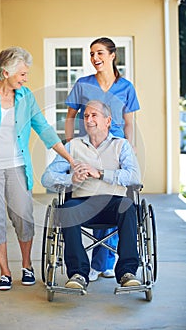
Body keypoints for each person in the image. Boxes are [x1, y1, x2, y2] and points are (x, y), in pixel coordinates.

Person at [0, 46, 74, 291]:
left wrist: (71, 158)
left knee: (23, 217)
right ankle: (5, 272)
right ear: (6, 72)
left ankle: (27, 266)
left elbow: (44, 129)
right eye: (22, 73)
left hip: (17, 167)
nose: (25, 78)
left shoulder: (26, 97)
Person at [41, 100, 141, 293]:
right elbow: (47, 178)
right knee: (66, 209)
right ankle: (78, 274)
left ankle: (127, 273)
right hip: (82, 203)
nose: (88, 119)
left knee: (128, 207)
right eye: (86, 116)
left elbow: (134, 176)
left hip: (114, 203)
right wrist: (71, 178)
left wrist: (101, 173)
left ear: (108, 120)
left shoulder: (122, 146)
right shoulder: (73, 146)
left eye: (94, 115)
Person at [65, 37, 140, 282]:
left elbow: (129, 123)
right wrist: (68, 149)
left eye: (99, 53)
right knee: (92, 195)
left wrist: (130, 149)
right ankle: (95, 264)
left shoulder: (126, 86)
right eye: (92, 54)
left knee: (116, 198)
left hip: (116, 148)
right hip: (90, 145)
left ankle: (103, 261)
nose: (95, 58)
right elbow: (70, 117)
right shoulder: (83, 84)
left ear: (112, 55)